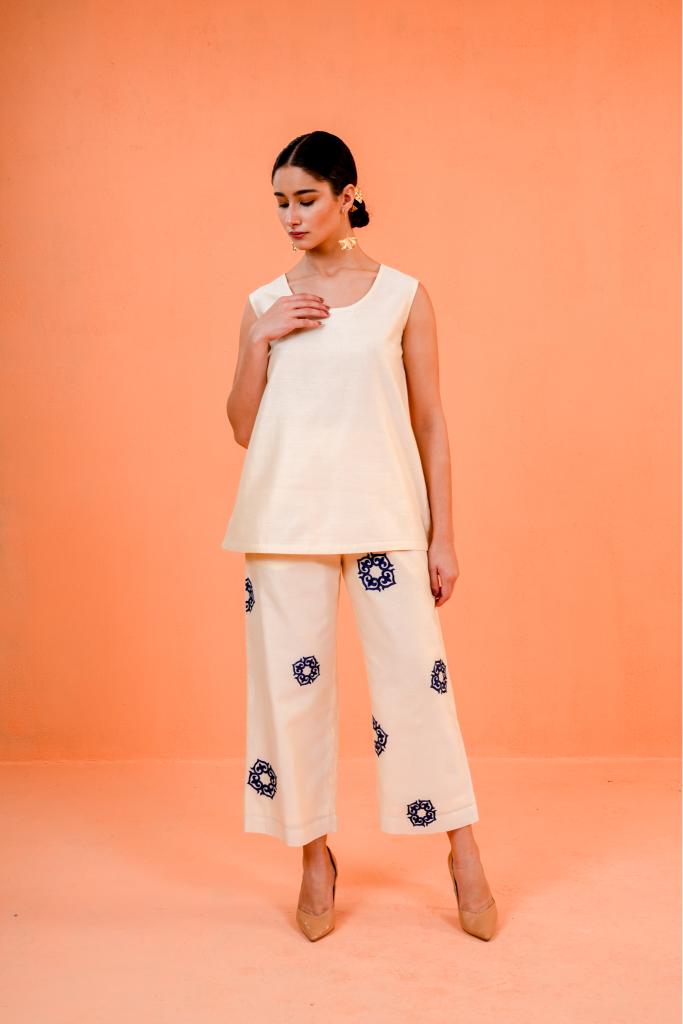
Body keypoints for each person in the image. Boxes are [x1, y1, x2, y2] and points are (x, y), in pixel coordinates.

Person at [221, 130, 497, 942]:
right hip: (284, 518)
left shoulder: (401, 295)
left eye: (305, 199)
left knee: (416, 683)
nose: (291, 216)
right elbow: (242, 427)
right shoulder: (264, 301)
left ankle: (462, 849)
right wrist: (260, 338)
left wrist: (443, 535)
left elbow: (430, 420)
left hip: (384, 514)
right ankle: (314, 857)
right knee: (290, 695)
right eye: (280, 202)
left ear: (347, 195)